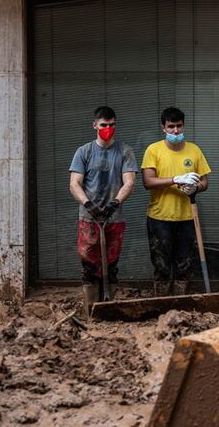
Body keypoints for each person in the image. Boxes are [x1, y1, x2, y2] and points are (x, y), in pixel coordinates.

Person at [69, 106, 137, 312]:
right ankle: (91, 308)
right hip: (89, 218)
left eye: (112, 125)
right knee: (89, 264)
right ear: (95, 125)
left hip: (113, 218)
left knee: (111, 263)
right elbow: (74, 183)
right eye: (104, 125)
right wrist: (88, 204)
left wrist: (114, 203)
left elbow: (129, 182)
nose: (108, 128)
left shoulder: (125, 151)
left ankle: (108, 306)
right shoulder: (84, 152)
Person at [141, 107, 211, 296]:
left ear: (184, 126)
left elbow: (205, 182)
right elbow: (148, 181)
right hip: (159, 218)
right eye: (171, 127)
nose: (175, 131)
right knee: (161, 267)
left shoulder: (194, 150)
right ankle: (162, 303)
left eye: (179, 126)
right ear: (163, 127)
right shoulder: (153, 150)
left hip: (187, 218)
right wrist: (176, 179)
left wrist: (196, 187)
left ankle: (181, 305)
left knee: (184, 267)